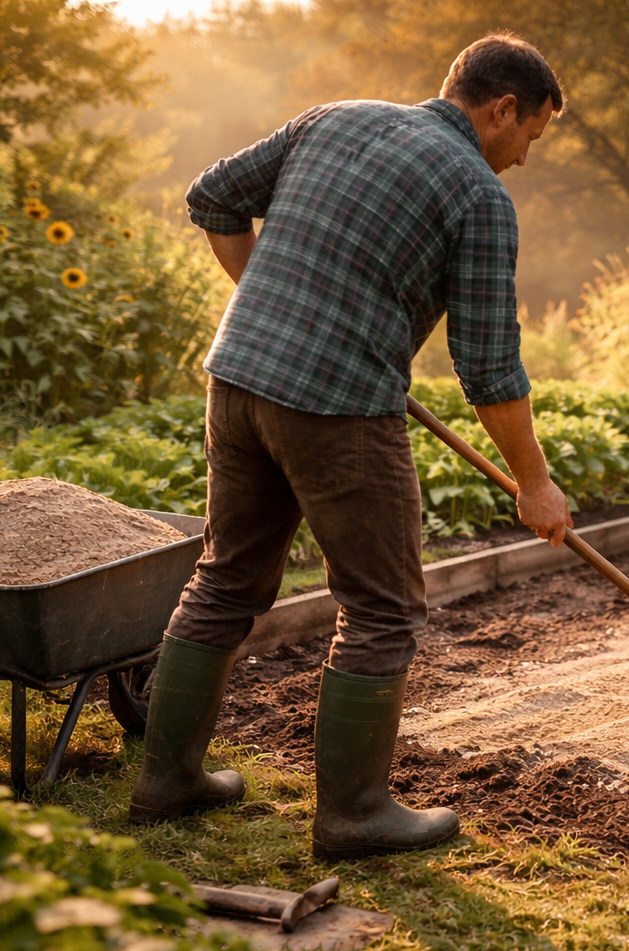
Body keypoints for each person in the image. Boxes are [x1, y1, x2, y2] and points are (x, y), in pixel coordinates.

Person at [127, 34, 574, 861]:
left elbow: (212, 196)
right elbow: (488, 367)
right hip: (337, 410)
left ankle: (166, 783)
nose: (523, 159)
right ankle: (355, 815)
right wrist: (535, 484)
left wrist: (272, 304)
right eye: (530, 138)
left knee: (225, 578)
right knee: (381, 608)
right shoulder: (477, 196)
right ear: (503, 108)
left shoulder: (334, 117)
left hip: (238, 382)